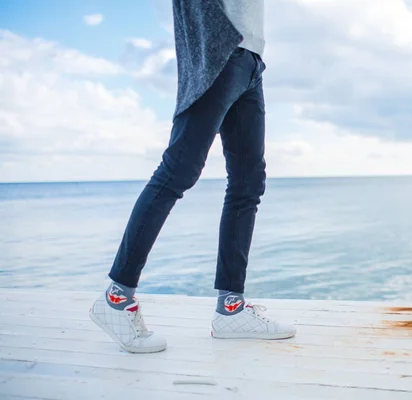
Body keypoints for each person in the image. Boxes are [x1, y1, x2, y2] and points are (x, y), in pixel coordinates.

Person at [89, 0, 296, 353]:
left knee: (248, 183)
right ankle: (116, 297)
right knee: (178, 170)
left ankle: (231, 309)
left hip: (251, 61)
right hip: (221, 52)